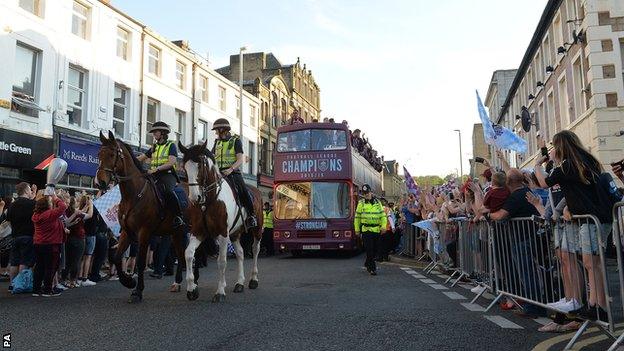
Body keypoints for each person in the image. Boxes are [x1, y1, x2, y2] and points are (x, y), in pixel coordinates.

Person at [534, 131, 613, 321]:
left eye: (555, 146)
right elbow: (583, 191)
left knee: (591, 263)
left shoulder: (569, 164)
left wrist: (537, 164)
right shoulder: (585, 160)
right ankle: (595, 304)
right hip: (594, 217)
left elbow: (544, 182)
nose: (552, 150)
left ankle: (598, 306)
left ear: (561, 146)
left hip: (593, 219)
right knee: (591, 263)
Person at [211, 118, 258, 229]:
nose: (216, 132)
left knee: (243, 191)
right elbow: (213, 157)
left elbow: (240, 159)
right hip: (219, 173)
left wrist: (231, 169)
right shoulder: (216, 142)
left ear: (223, 129)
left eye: (217, 130)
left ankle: (251, 216)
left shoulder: (235, 141)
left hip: (232, 172)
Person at [137, 121, 185, 228]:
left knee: (168, 191)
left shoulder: (171, 145)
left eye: (155, 131)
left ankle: (178, 216)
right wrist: (127, 158)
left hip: (167, 175)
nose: (153, 134)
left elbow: (171, 162)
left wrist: (157, 169)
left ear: (162, 133)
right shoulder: (154, 147)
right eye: (153, 132)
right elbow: (141, 158)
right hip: (153, 175)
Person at [32, 192, 67, 297]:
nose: (52, 203)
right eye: (50, 202)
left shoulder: (36, 215)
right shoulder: (49, 214)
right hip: (51, 244)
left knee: (39, 266)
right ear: (47, 205)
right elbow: (63, 207)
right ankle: (48, 289)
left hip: (38, 243)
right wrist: (56, 198)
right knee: (50, 267)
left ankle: (36, 289)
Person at [6, 182, 36, 287]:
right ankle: (20, 284)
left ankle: (12, 284)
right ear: (26, 190)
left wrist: (15, 228)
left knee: (14, 261)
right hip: (28, 235)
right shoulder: (32, 204)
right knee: (25, 261)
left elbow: (8, 221)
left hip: (15, 235)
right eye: (29, 189)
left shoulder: (12, 205)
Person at [354, 184, 387, 276]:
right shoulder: (361, 203)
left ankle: (368, 261)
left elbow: (383, 216)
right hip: (366, 229)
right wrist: (357, 229)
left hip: (376, 229)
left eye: (367, 193)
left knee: (375, 250)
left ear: (371, 192)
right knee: (369, 249)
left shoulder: (378, 203)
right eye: (364, 194)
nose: (366, 195)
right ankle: (372, 268)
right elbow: (357, 217)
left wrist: (383, 226)